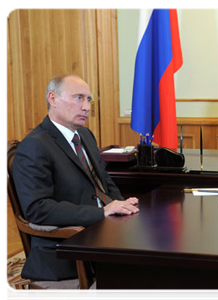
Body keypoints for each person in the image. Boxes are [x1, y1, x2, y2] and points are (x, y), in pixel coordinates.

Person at [13, 74, 140, 282]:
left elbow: (104, 180)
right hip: (69, 247)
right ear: (53, 99)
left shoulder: (85, 136)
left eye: (89, 100)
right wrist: (101, 212)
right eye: (78, 98)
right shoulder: (35, 145)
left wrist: (121, 204)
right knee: (144, 271)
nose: (87, 107)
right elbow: (38, 208)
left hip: (102, 230)